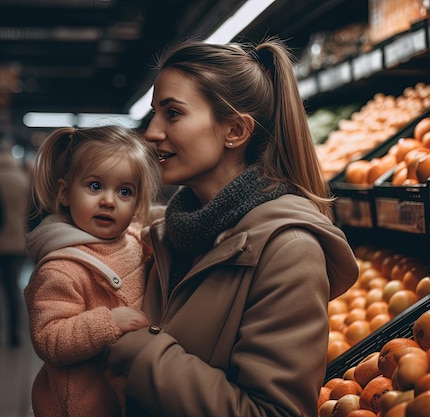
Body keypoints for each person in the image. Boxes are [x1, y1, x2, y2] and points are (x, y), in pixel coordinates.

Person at [106, 38, 360, 417]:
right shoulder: (168, 235)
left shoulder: (289, 251)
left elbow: (275, 412)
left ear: (236, 132)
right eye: (154, 113)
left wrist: (143, 354)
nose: (151, 133)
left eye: (172, 113)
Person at [23, 125, 161, 417]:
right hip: (81, 406)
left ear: (136, 204)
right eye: (95, 186)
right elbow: (48, 338)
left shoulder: (135, 240)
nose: (109, 200)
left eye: (124, 191)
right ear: (64, 193)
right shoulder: (62, 268)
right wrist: (108, 322)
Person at [0, 138, 32, 347]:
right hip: (17, 240)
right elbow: (30, 210)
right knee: (12, 288)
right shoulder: (22, 178)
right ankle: (14, 335)